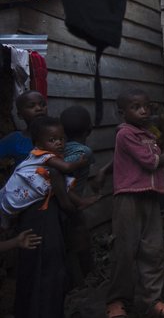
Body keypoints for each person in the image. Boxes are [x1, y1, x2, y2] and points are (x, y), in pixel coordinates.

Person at [106, 88, 164, 318]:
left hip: (149, 196)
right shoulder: (125, 134)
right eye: (136, 107)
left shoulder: (148, 134)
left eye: (146, 106)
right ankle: (117, 302)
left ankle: (152, 301)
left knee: (153, 250)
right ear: (122, 112)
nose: (143, 111)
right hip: (128, 197)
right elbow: (149, 162)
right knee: (125, 250)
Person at [0, 115, 95, 318]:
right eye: (53, 140)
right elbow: (65, 199)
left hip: (37, 220)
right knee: (48, 271)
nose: (59, 143)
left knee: (39, 271)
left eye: (62, 138)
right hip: (41, 220)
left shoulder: (47, 163)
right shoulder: (48, 164)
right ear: (38, 143)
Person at [60, 105, 97, 285]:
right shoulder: (82, 153)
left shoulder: (62, 148)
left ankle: (82, 278)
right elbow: (58, 173)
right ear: (89, 129)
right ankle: (86, 278)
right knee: (79, 237)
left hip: (65, 202)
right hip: (68, 203)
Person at [0, 90, 48, 166]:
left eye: (42, 105)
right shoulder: (14, 139)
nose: (39, 108)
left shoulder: (59, 135)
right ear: (20, 115)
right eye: (31, 106)